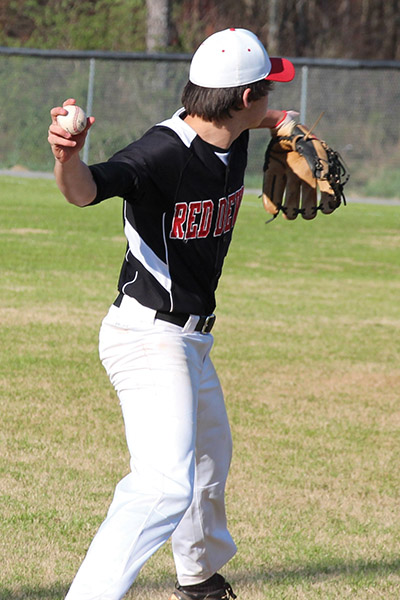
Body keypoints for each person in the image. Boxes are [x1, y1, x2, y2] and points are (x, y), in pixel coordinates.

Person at [48, 27, 295, 600]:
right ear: (240, 98)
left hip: (190, 341)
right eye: (266, 88)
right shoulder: (163, 152)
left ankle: (200, 580)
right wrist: (69, 155)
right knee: (162, 488)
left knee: (209, 462)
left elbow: (270, 115)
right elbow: (88, 190)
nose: (269, 95)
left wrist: (285, 123)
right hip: (148, 336)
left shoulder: (233, 124)